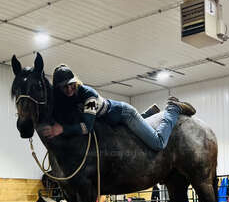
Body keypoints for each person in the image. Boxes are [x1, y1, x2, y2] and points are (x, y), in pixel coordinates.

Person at [41, 64, 196, 151]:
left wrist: (62, 129)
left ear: (75, 82)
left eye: (71, 85)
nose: (68, 89)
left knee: (158, 143)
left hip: (124, 114)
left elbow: (87, 127)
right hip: (110, 118)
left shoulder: (89, 95)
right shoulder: (67, 98)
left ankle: (172, 109)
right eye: (64, 87)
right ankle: (147, 115)